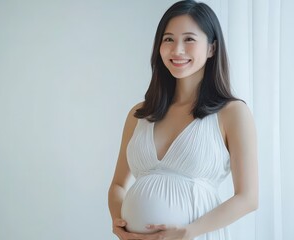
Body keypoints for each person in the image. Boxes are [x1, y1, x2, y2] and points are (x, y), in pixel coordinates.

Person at [107, 0, 258, 239]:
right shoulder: (139, 114)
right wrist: (121, 224)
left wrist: (188, 232)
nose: (177, 50)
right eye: (168, 39)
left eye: (189, 39)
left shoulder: (232, 112)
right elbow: (117, 185)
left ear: (211, 48)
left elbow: (248, 198)